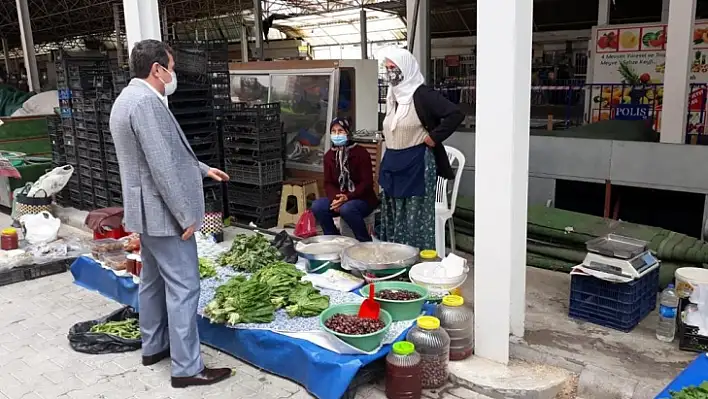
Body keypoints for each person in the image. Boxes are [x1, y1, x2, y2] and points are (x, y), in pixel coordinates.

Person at [109, 39, 232, 389]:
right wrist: (185, 217)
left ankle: (154, 346)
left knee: (152, 282)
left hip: (144, 211)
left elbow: (164, 155)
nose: (173, 74)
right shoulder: (147, 103)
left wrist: (203, 168)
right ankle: (187, 368)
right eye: (172, 68)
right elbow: (162, 167)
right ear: (156, 69)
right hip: (164, 213)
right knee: (184, 288)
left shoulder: (126, 100)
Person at [378, 47, 464, 251]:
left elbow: (455, 114)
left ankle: (413, 262)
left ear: (406, 68)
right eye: (387, 67)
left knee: (413, 219)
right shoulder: (393, 96)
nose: (390, 72)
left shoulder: (421, 94)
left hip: (416, 165)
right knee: (393, 216)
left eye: (394, 67)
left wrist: (434, 137)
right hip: (393, 164)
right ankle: (393, 259)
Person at [311, 117, 378, 242]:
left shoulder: (361, 153)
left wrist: (346, 197)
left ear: (347, 132)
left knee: (347, 209)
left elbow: (367, 183)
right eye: (333, 131)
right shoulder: (329, 156)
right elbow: (328, 183)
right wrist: (337, 199)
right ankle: (333, 239)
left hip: (363, 199)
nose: (337, 134)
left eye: (340, 131)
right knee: (317, 206)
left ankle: (365, 241)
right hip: (340, 199)